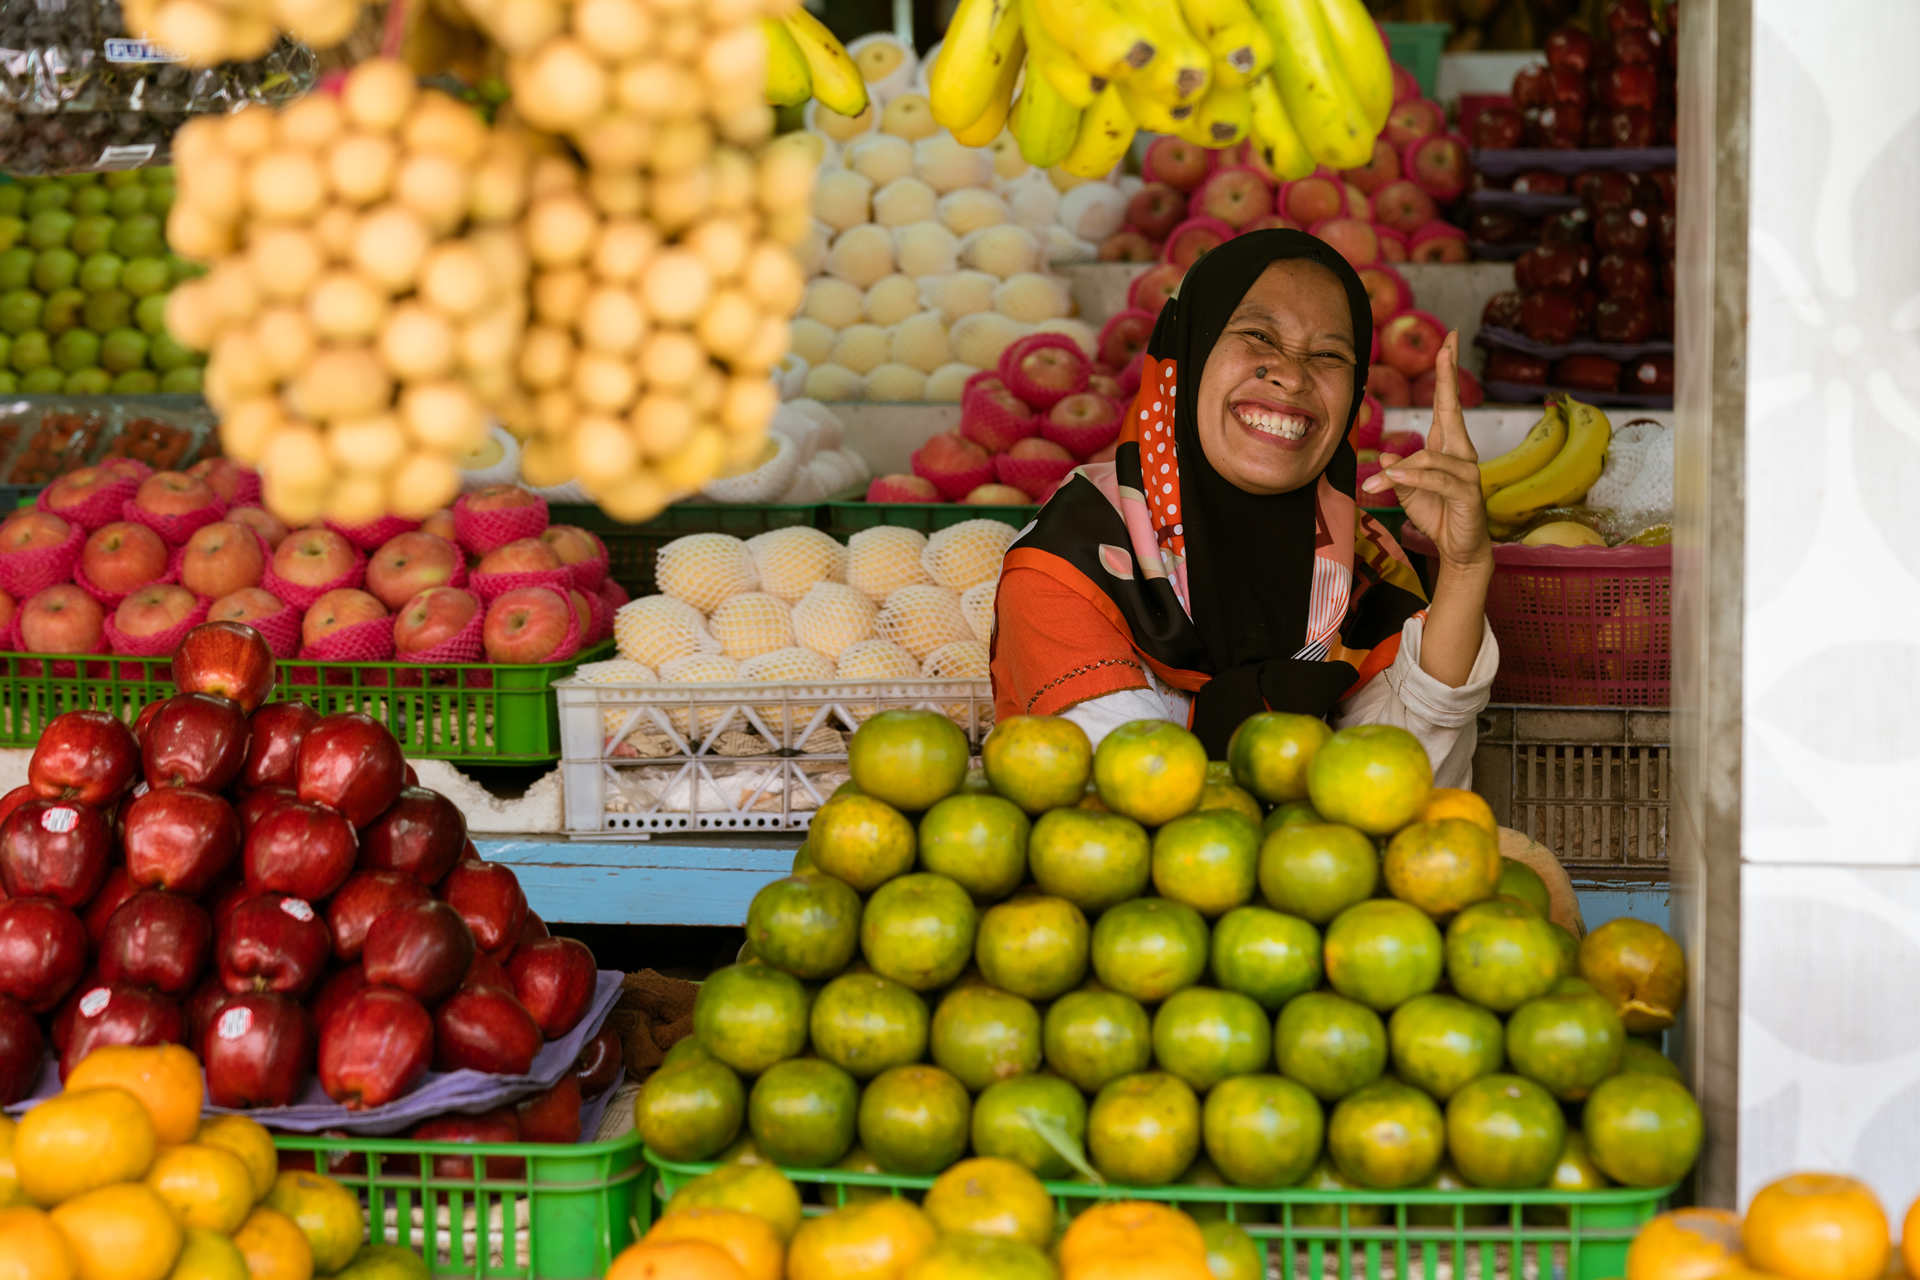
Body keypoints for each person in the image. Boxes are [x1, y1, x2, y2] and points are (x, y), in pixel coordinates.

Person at [989, 229, 1498, 785]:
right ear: (1189, 354)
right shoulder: (1073, 560)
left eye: (1329, 354)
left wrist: (1467, 569)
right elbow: (1140, 795)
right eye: (1257, 336)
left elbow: (1412, 787)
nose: (1292, 375)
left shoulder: (1363, 561)